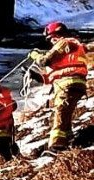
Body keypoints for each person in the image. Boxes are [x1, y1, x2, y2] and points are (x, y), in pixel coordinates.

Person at [30, 21, 88, 152]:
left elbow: (46, 61)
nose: (51, 42)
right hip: (71, 83)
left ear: (57, 34)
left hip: (68, 84)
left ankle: (56, 147)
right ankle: (68, 141)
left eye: (51, 38)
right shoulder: (71, 49)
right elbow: (57, 74)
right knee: (65, 116)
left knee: (60, 115)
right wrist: (38, 77)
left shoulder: (64, 42)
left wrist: (36, 55)